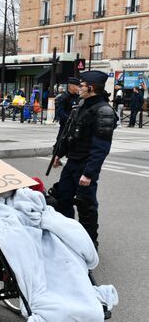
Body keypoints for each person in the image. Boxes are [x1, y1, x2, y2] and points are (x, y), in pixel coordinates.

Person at [52, 70, 117, 249]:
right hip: (72, 161)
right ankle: (68, 237)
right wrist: (60, 153)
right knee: (63, 198)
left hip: (85, 164)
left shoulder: (104, 111)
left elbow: (101, 148)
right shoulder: (82, 105)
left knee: (86, 206)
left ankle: (89, 244)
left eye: (81, 85)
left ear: (91, 87)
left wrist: (89, 173)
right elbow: (70, 133)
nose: (78, 88)